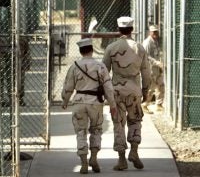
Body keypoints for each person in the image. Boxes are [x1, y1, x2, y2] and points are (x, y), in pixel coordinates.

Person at [102, 16, 151, 171]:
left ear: (119, 29)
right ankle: (134, 151)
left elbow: (104, 72)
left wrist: (105, 92)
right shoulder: (139, 47)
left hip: (116, 90)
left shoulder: (111, 48)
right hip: (134, 89)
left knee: (118, 123)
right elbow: (146, 72)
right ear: (132, 29)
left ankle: (122, 159)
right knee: (135, 120)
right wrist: (145, 89)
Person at [62, 38, 117, 174]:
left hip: (79, 102)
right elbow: (108, 88)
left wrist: (65, 101)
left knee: (81, 132)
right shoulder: (100, 66)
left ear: (80, 51)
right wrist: (112, 104)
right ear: (92, 50)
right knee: (96, 130)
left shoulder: (74, 66)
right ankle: (93, 157)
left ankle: (83, 162)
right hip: (95, 103)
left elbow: (68, 87)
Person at [142, 25, 165, 114]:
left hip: (157, 68)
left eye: (156, 31)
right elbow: (146, 56)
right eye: (153, 32)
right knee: (151, 87)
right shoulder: (147, 42)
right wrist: (157, 63)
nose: (155, 33)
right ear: (150, 32)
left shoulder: (156, 41)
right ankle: (144, 104)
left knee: (161, 85)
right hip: (150, 68)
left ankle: (159, 104)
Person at [19, 36, 31, 106]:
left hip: (21, 63)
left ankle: (20, 99)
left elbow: (27, 53)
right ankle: (11, 99)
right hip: (11, 62)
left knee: (21, 81)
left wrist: (27, 63)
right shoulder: (9, 38)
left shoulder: (23, 39)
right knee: (10, 81)